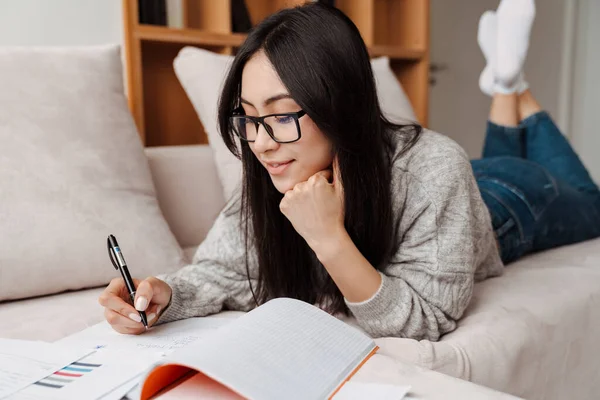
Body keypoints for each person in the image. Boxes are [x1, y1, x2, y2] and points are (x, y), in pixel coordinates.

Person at [99, 0, 600, 341]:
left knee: (590, 200)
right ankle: (506, 83)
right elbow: (222, 270)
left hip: (511, 202)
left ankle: (513, 84)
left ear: (340, 106)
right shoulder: (276, 168)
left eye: (281, 115)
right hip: (459, 189)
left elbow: (427, 316)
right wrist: (167, 294)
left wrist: (329, 239)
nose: (260, 142)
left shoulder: (434, 167)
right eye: (249, 117)